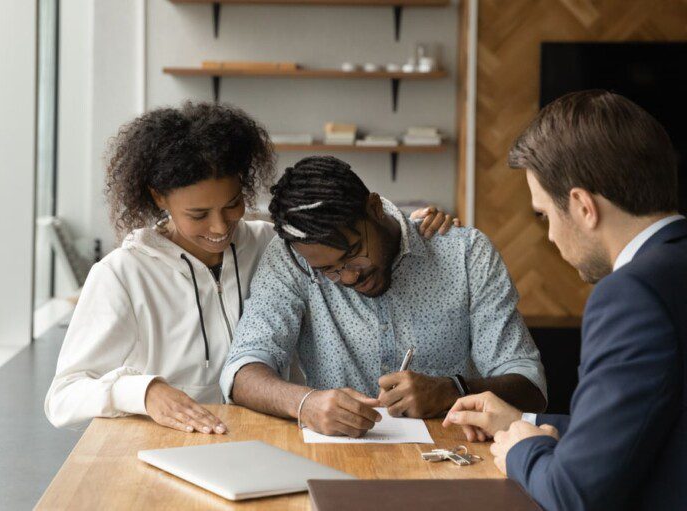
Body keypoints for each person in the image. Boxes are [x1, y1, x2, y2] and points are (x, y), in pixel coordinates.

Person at [44, 102, 455, 434]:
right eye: (199, 214)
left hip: (268, 439)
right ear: (158, 198)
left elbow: (342, 223)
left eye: (232, 205)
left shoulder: (269, 243)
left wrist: (406, 224)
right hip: (168, 446)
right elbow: (63, 396)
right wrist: (144, 392)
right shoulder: (121, 275)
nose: (221, 227)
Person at [444, 90, 686, 510]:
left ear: (582, 206)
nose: (551, 235)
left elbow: (574, 495)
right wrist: (525, 423)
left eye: (543, 215)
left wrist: (522, 451)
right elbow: (648, 428)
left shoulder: (631, 295)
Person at [220, 155, 547, 438]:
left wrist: (452, 390)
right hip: (338, 459)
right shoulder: (290, 258)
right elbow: (241, 372)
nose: (348, 277)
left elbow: (531, 389)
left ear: (374, 209)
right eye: (328, 271)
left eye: (353, 254)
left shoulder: (465, 253)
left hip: (452, 460)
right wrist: (304, 404)